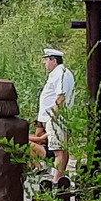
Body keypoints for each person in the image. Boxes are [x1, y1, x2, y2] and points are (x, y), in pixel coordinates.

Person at [38, 47, 77, 182]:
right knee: (61, 149)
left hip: (57, 118)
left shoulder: (61, 73)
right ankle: (59, 177)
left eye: (46, 60)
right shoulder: (57, 73)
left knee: (58, 150)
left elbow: (61, 96)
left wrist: (53, 117)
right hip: (57, 117)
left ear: (53, 60)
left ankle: (56, 180)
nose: (44, 63)